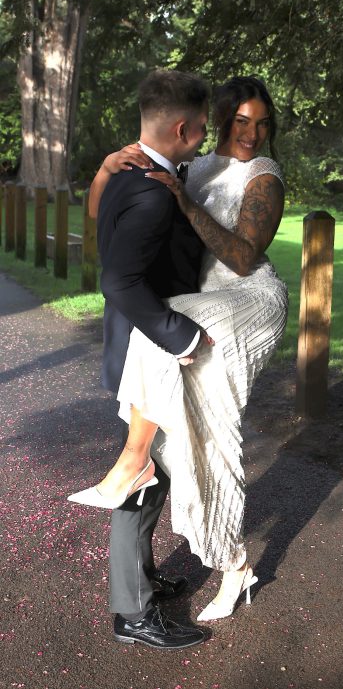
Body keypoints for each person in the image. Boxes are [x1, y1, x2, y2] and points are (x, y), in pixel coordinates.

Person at [72, 75, 288, 625]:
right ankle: (228, 564)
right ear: (217, 121)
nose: (252, 133)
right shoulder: (192, 166)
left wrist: (186, 204)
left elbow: (243, 259)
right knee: (197, 440)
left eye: (263, 124)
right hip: (193, 309)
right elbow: (106, 215)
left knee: (170, 348)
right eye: (241, 121)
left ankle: (132, 466)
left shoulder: (263, 175)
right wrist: (105, 168)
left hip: (243, 302)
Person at [69, 68, 211, 650]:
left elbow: (96, 221)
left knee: (153, 467)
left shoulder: (127, 174)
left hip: (131, 342)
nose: (206, 136)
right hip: (146, 349)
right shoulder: (152, 192)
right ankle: (132, 611)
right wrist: (181, 336)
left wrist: (103, 170)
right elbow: (120, 280)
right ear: (182, 128)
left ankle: (143, 578)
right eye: (203, 127)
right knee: (142, 473)